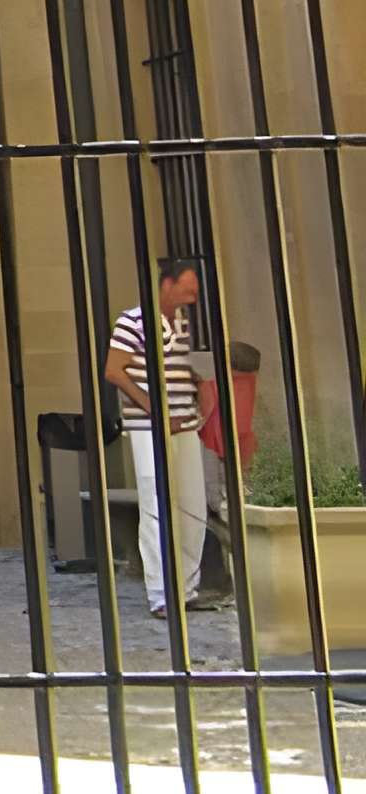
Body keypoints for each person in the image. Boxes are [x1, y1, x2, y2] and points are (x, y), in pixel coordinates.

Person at [108, 258, 223, 620]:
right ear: (167, 284)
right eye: (188, 285)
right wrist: (155, 409)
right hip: (149, 428)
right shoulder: (133, 320)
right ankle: (161, 594)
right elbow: (115, 371)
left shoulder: (179, 322)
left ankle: (186, 589)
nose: (193, 293)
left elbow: (175, 365)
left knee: (191, 506)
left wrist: (198, 387)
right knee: (157, 506)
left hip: (184, 424)